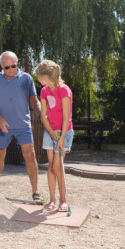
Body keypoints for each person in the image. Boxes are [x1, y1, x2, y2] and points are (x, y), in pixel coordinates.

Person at [0, 51, 42, 203]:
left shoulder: (26, 79)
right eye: (6, 67)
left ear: (17, 64)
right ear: (1, 66)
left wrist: (40, 112)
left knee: (30, 154)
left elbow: (33, 100)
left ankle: (35, 192)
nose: (10, 70)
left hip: (23, 125)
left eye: (13, 66)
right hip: (2, 125)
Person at [35, 60, 73, 213]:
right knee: (51, 166)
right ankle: (52, 200)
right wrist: (51, 133)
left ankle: (63, 201)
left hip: (64, 132)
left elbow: (66, 117)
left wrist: (61, 137)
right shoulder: (44, 91)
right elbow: (43, 116)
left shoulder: (64, 90)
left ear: (45, 76)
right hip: (50, 131)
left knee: (57, 167)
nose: (38, 79)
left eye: (39, 76)